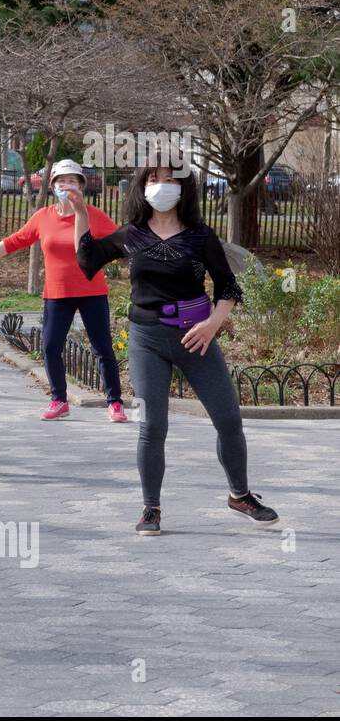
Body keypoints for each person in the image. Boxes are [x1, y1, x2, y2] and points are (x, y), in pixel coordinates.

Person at [74, 164, 277, 535]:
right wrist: (81, 213)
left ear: (184, 189)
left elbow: (228, 287)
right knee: (152, 425)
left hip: (196, 338)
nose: (162, 185)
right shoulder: (130, 236)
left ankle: (240, 495)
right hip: (147, 339)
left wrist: (213, 323)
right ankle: (151, 508)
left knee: (229, 420)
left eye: (172, 179)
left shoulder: (200, 236)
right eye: (154, 178)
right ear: (142, 185)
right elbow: (86, 260)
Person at [0, 159, 127, 422]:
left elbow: (124, 243)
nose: (66, 186)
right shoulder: (43, 216)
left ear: (81, 186)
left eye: (72, 181)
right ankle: (58, 400)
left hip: (92, 292)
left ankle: (115, 403)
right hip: (57, 293)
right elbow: (14, 241)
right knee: (51, 347)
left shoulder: (94, 215)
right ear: (53, 185)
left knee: (102, 348)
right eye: (61, 181)